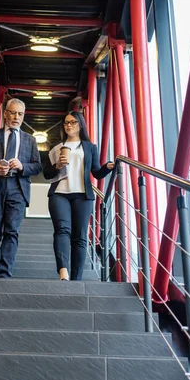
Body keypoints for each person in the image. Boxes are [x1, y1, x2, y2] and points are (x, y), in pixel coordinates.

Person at [0, 98, 42, 278]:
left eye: (20, 114)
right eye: (13, 112)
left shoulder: (30, 140)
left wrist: (22, 166)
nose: (16, 117)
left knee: (11, 231)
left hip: (18, 188)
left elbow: (37, 166)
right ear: (5, 114)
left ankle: (4, 274)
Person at [44, 111, 114, 281]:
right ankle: (63, 271)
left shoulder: (90, 147)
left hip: (83, 195)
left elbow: (96, 173)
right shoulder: (56, 146)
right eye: (66, 122)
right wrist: (57, 165)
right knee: (62, 230)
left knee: (80, 236)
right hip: (59, 193)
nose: (69, 125)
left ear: (80, 124)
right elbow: (47, 174)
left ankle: (77, 279)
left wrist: (107, 167)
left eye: (73, 122)